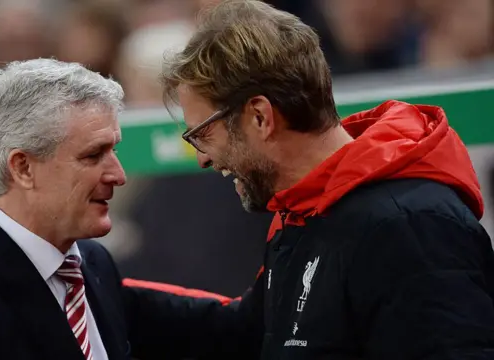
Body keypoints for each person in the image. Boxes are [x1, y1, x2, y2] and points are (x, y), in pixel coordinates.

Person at [155, 0, 494, 358]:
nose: (204, 158)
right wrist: (103, 285)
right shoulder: (302, 213)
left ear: (259, 117)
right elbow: (250, 331)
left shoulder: (411, 226)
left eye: (203, 134)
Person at [0, 59, 260, 360]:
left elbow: (227, 327)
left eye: (114, 150)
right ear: (23, 167)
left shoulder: (88, 263)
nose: (119, 174)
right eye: (94, 155)